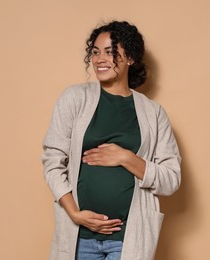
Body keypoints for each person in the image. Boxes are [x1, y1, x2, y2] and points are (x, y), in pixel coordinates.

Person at [42, 20, 181, 260]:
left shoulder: (153, 113)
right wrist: (74, 213)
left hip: (128, 238)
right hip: (79, 236)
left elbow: (171, 179)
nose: (99, 59)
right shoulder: (74, 99)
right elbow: (52, 160)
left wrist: (126, 157)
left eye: (110, 52)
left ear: (131, 58)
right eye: (95, 52)